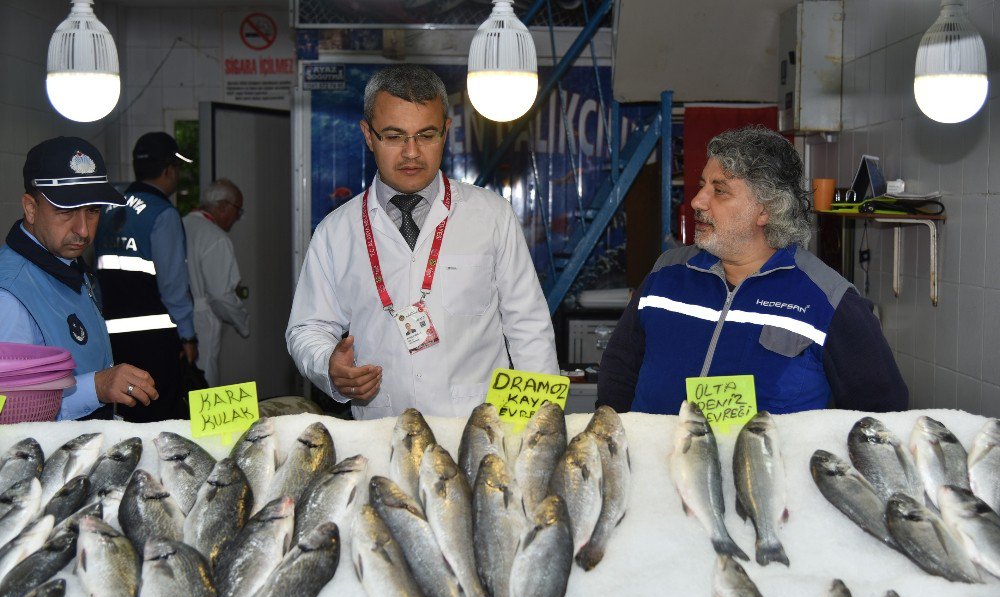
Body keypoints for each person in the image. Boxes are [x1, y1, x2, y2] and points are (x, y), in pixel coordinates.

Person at [286, 64, 558, 420]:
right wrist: (329, 365)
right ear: (368, 135)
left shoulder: (491, 216)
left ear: (446, 131)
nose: (412, 152)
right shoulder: (335, 232)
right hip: (383, 432)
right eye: (395, 136)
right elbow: (309, 327)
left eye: (426, 135)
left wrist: (536, 430)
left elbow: (528, 328)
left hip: (476, 431)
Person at [597, 125, 908, 415]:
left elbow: (881, 415)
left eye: (719, 191)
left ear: (766, 210)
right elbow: (620, 368)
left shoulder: (829, 300)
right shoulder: (666, 273)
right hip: (656, 469)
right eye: (702, 185)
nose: (696, 201)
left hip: (760, 472)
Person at [0, 136, 159, 420]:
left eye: (93, 210)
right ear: (31, 208)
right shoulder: (9, 295)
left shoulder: (66, 262)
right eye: (66, 211)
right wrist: (96, 387)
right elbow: (8, 412)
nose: (83, 230)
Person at [95, 131, 197, 422]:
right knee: (162, 420)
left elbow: (97, 278)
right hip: (155, 343)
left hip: (113, 343)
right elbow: (174, 288)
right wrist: (188, 337)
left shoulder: (107, 211)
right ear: (169, 171)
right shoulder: (163, 214)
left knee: (126, 419)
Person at [183, 178, 250, 387]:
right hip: (202, 326)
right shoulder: (216, 238)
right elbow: (221, 296)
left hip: (179, 324)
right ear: (222, 206)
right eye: (237, 210)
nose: (238, 218)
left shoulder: (180, 224)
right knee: (205, 389)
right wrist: (243, 323)